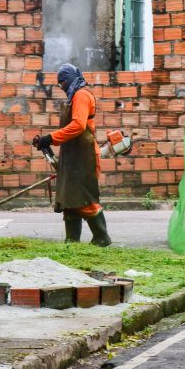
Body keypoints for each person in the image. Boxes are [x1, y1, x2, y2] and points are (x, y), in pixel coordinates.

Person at [33, 63, 112, 246]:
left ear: (70, 79)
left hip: (83, 156)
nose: (61, 86)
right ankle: (72, 242)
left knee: (84, 198)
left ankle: (102, 237)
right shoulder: (73, 96)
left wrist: (51, 138)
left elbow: (78, 126)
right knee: (69, 199)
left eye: (62, 82)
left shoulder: (82, 95)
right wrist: (47, 141)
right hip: (72, 154)